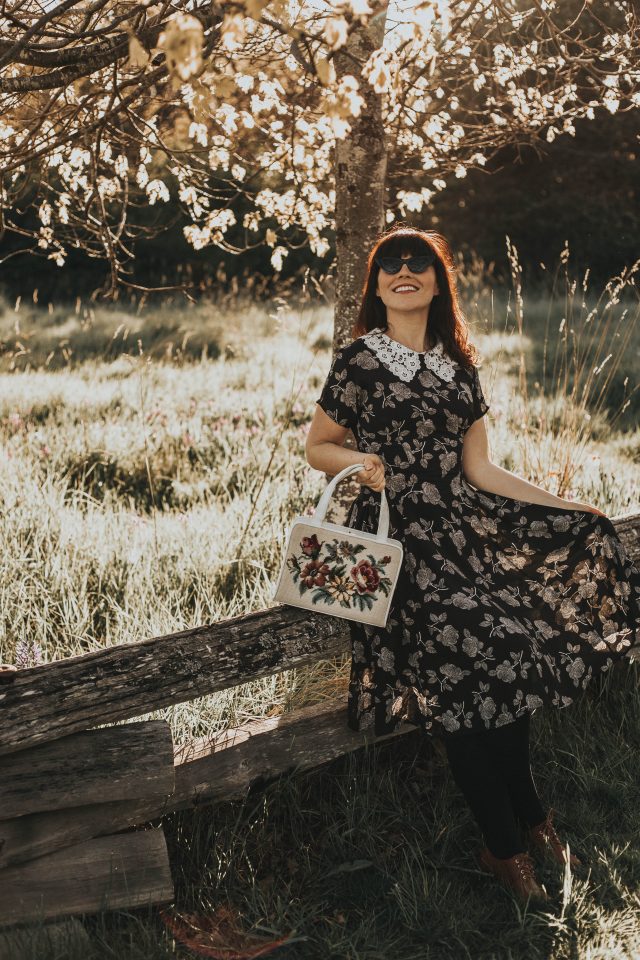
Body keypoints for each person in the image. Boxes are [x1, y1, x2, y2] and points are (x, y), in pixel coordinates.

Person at [305, 225, 640, 906]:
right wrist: (362, 464)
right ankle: (508, 848)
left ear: (436, 281)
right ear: (376, 285)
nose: (404, 271)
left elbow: (481, 470)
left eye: (418, 263)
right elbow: (318, 446)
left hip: (461, 537)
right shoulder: (358, 361)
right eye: (390, 265)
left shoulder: (460, 367)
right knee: (469, 681)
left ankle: (530, 818)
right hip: (395, 544)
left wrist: (567, 505)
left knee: (510, 652)